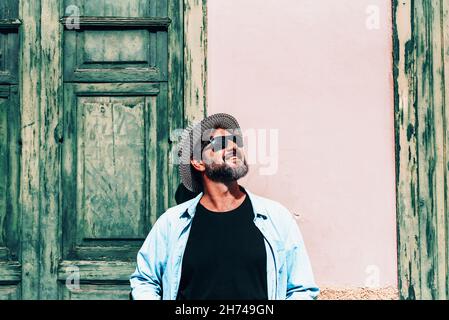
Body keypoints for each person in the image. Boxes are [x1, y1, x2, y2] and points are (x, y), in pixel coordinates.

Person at [130, 113, 319, 300]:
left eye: (234, 140)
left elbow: (302, 289)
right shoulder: (172, 223)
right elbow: (145, 281)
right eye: (220, 143)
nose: (233, 147)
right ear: (197, 162)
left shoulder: (276, 217)